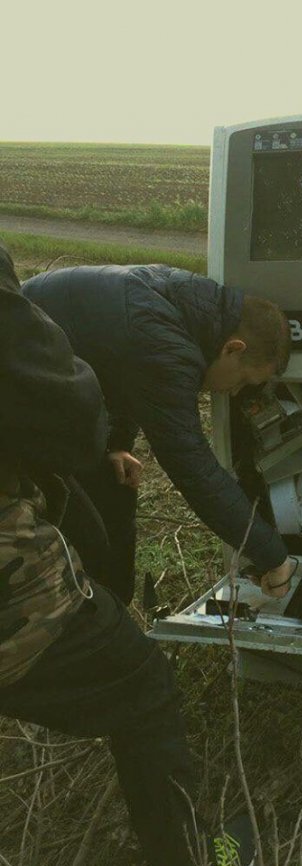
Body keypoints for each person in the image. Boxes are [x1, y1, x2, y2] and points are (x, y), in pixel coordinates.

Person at [0, 242, 259, 865]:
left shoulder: (162, 304)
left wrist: (107, 444)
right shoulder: (166, 334)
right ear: (233, 351)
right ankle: (196, 854)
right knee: (143, 684)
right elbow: (65, 408)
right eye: (248, 382)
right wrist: (267, 552)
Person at [22, 264, 294, 605]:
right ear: (233, 348)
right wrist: (273, 556)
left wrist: (116, 442)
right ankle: (84, 627)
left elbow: (118, 365)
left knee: (113, 496)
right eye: (243, 380)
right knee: (86, 539)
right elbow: (193, 469)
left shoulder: (188, 301)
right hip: (20, 404)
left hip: (42, 389)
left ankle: (111, 616)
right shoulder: (169, 348)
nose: (236, 392)